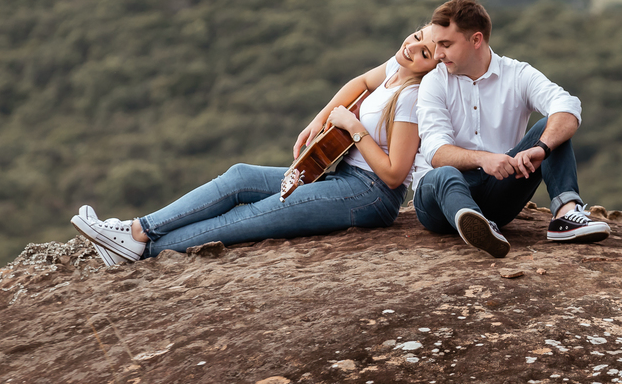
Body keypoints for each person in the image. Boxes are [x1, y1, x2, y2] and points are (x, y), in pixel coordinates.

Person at [72, 25, 439, 264]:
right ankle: (139, 228)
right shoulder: (398, 66)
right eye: (417, 36)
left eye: (424, 52)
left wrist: (353, 126)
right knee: (240, 177)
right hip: (341, 175)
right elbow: (360, 82)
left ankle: (141, 247)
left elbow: (394, 176)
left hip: (368, 195)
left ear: (433, 67)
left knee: (251, 215)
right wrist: (320, 118)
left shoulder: (412, 96)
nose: (413, 47)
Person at [411, 0, 610, 258]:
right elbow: (436, 152)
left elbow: (567, 105)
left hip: (499, 191)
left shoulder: (517, 74)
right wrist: (485, 159)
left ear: (476, 40)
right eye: (436, 45)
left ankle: (565, 214)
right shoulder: (434, 83)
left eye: (446, 45)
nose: (437, 54)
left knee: (550, 130)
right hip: (438, 200)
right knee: (443, 173)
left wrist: (541, 148)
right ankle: (472, 222)